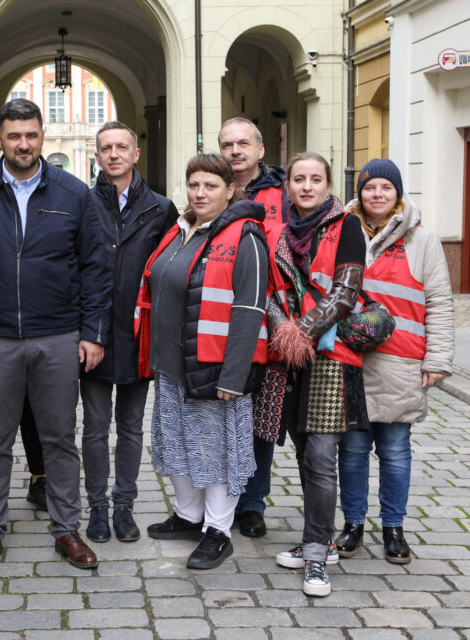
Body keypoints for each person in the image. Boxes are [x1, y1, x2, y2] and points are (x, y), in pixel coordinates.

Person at [0, 98, 111, 572]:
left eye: (31, 135)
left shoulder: (74, 193)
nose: (23, 144)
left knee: (59, 438)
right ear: (0, 138)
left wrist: (93, 333)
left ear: (42, 136)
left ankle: (67, 529)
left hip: (57, 336)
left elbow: (96, 269)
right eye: (14, 135)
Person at [138, 154, 268, 569]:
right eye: (194, 184)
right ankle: (189, 516)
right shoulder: (180, 230)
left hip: (214, 370)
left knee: (215, 454)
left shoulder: (243, 235)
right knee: (176, 444)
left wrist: (234, 374)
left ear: (230, 190)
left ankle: (218, 530)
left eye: (210, 186)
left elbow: (250, 309)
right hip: (173, 365)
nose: (200, 193)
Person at [336, 158, 454, 564]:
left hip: (400, 362)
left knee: (395, 450)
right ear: (360, 192)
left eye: (386, 188)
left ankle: (393, 528)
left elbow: (439, 302)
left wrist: (436, 359)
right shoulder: (342, 232)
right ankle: (352, 525)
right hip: (349, 361)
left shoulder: (424, 240)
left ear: (398, 194)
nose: (377, 195)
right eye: (370, 188)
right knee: (351, 451)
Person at [263, 152, 368, 597]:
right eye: (298, 179)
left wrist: (300, 333)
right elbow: (267, 291)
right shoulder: (282, 232)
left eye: (315, 179)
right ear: (287, 186)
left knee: (323, 458)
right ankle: (318, 539)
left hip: (330, 356)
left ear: (328, 185)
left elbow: (346, 291)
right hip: (291, 358)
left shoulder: (347, 226)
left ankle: (316, 557)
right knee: (306, 454)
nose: (307, 186)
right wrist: (281, 329)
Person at [83, 121, 178, 543]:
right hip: (95, 335)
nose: (115, 154)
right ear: (98, 155)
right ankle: (97, 509)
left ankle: (125, 507)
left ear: (136, 154)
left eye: (122, 147)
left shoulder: (162, 208)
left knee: (132, 427)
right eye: (107, 148)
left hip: (141, 339)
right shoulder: (82, 204)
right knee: (94, 426)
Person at [218, 117, 289, 538]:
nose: (235, 151)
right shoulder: (211, 186)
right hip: (221, 318)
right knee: (223, 412)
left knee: (263, 417)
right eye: (228, 144)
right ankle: (220, 497)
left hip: (273, 321)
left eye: (243, 143)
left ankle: (252, 502)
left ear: (261, 150)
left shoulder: (284, 194)